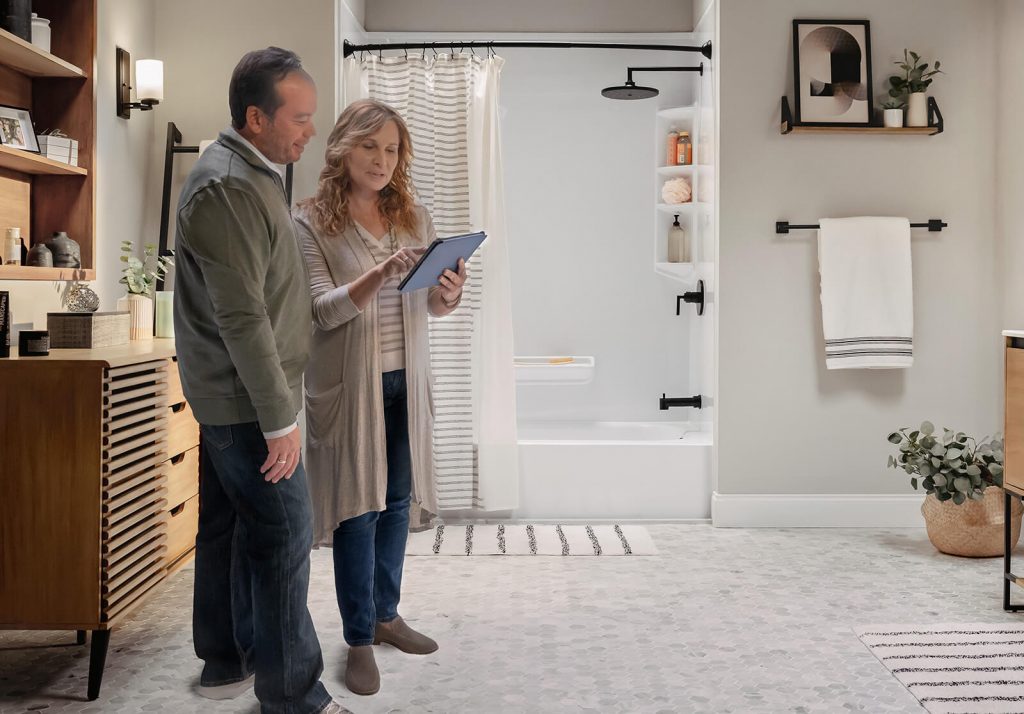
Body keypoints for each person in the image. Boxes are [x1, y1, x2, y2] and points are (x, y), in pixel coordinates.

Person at [173, 46, 346, 714]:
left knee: (229, 526)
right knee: (282, 535)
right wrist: (281, 419)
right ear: (255, 117)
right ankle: (293, 696)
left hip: (234, 394)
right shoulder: (230, 187)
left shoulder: (249, 174)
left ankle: (227, 658)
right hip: (247, 403)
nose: (310, 130)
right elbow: (241, 316)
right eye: (299, 118)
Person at [294, 99, 467, 696]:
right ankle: (359, 638)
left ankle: (387, 615)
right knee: (356, 510)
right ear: (343, 147)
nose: (382, 160)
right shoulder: (311, 220)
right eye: (371, 146)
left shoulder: (412, 214)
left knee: (396, 503)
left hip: (404, 381)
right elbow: (321, 310)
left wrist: (449, 290)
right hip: (349, 388)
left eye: (392, 149)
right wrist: (379, 273)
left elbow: (433, 308)